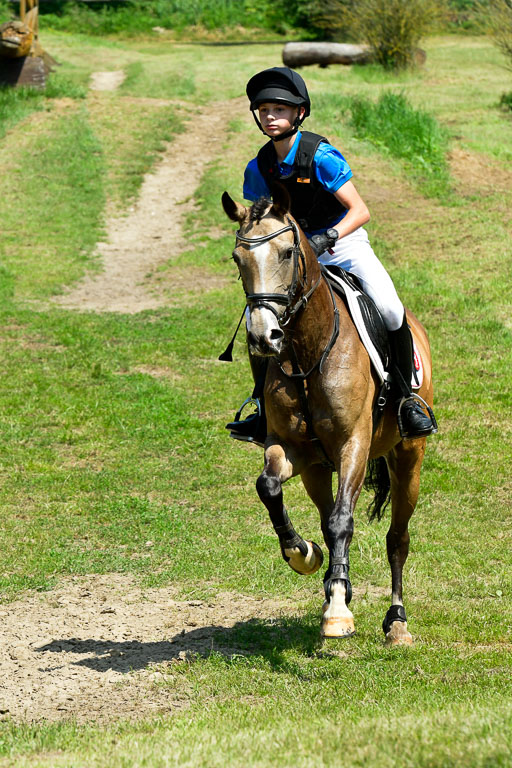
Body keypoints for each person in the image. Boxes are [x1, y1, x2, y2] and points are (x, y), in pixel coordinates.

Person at [226, 66, 436, 442]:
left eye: (280, 109)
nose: (271, 116)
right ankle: (261, 407)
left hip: (344, 245)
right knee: (257, 320)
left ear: (299, 113)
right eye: (264, 110)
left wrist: (327, 237)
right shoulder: (258, 167)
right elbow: (259, 222)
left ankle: (406, 400)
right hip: (293, 258)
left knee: (388, 307)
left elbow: (360, 210)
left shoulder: (321, 156)